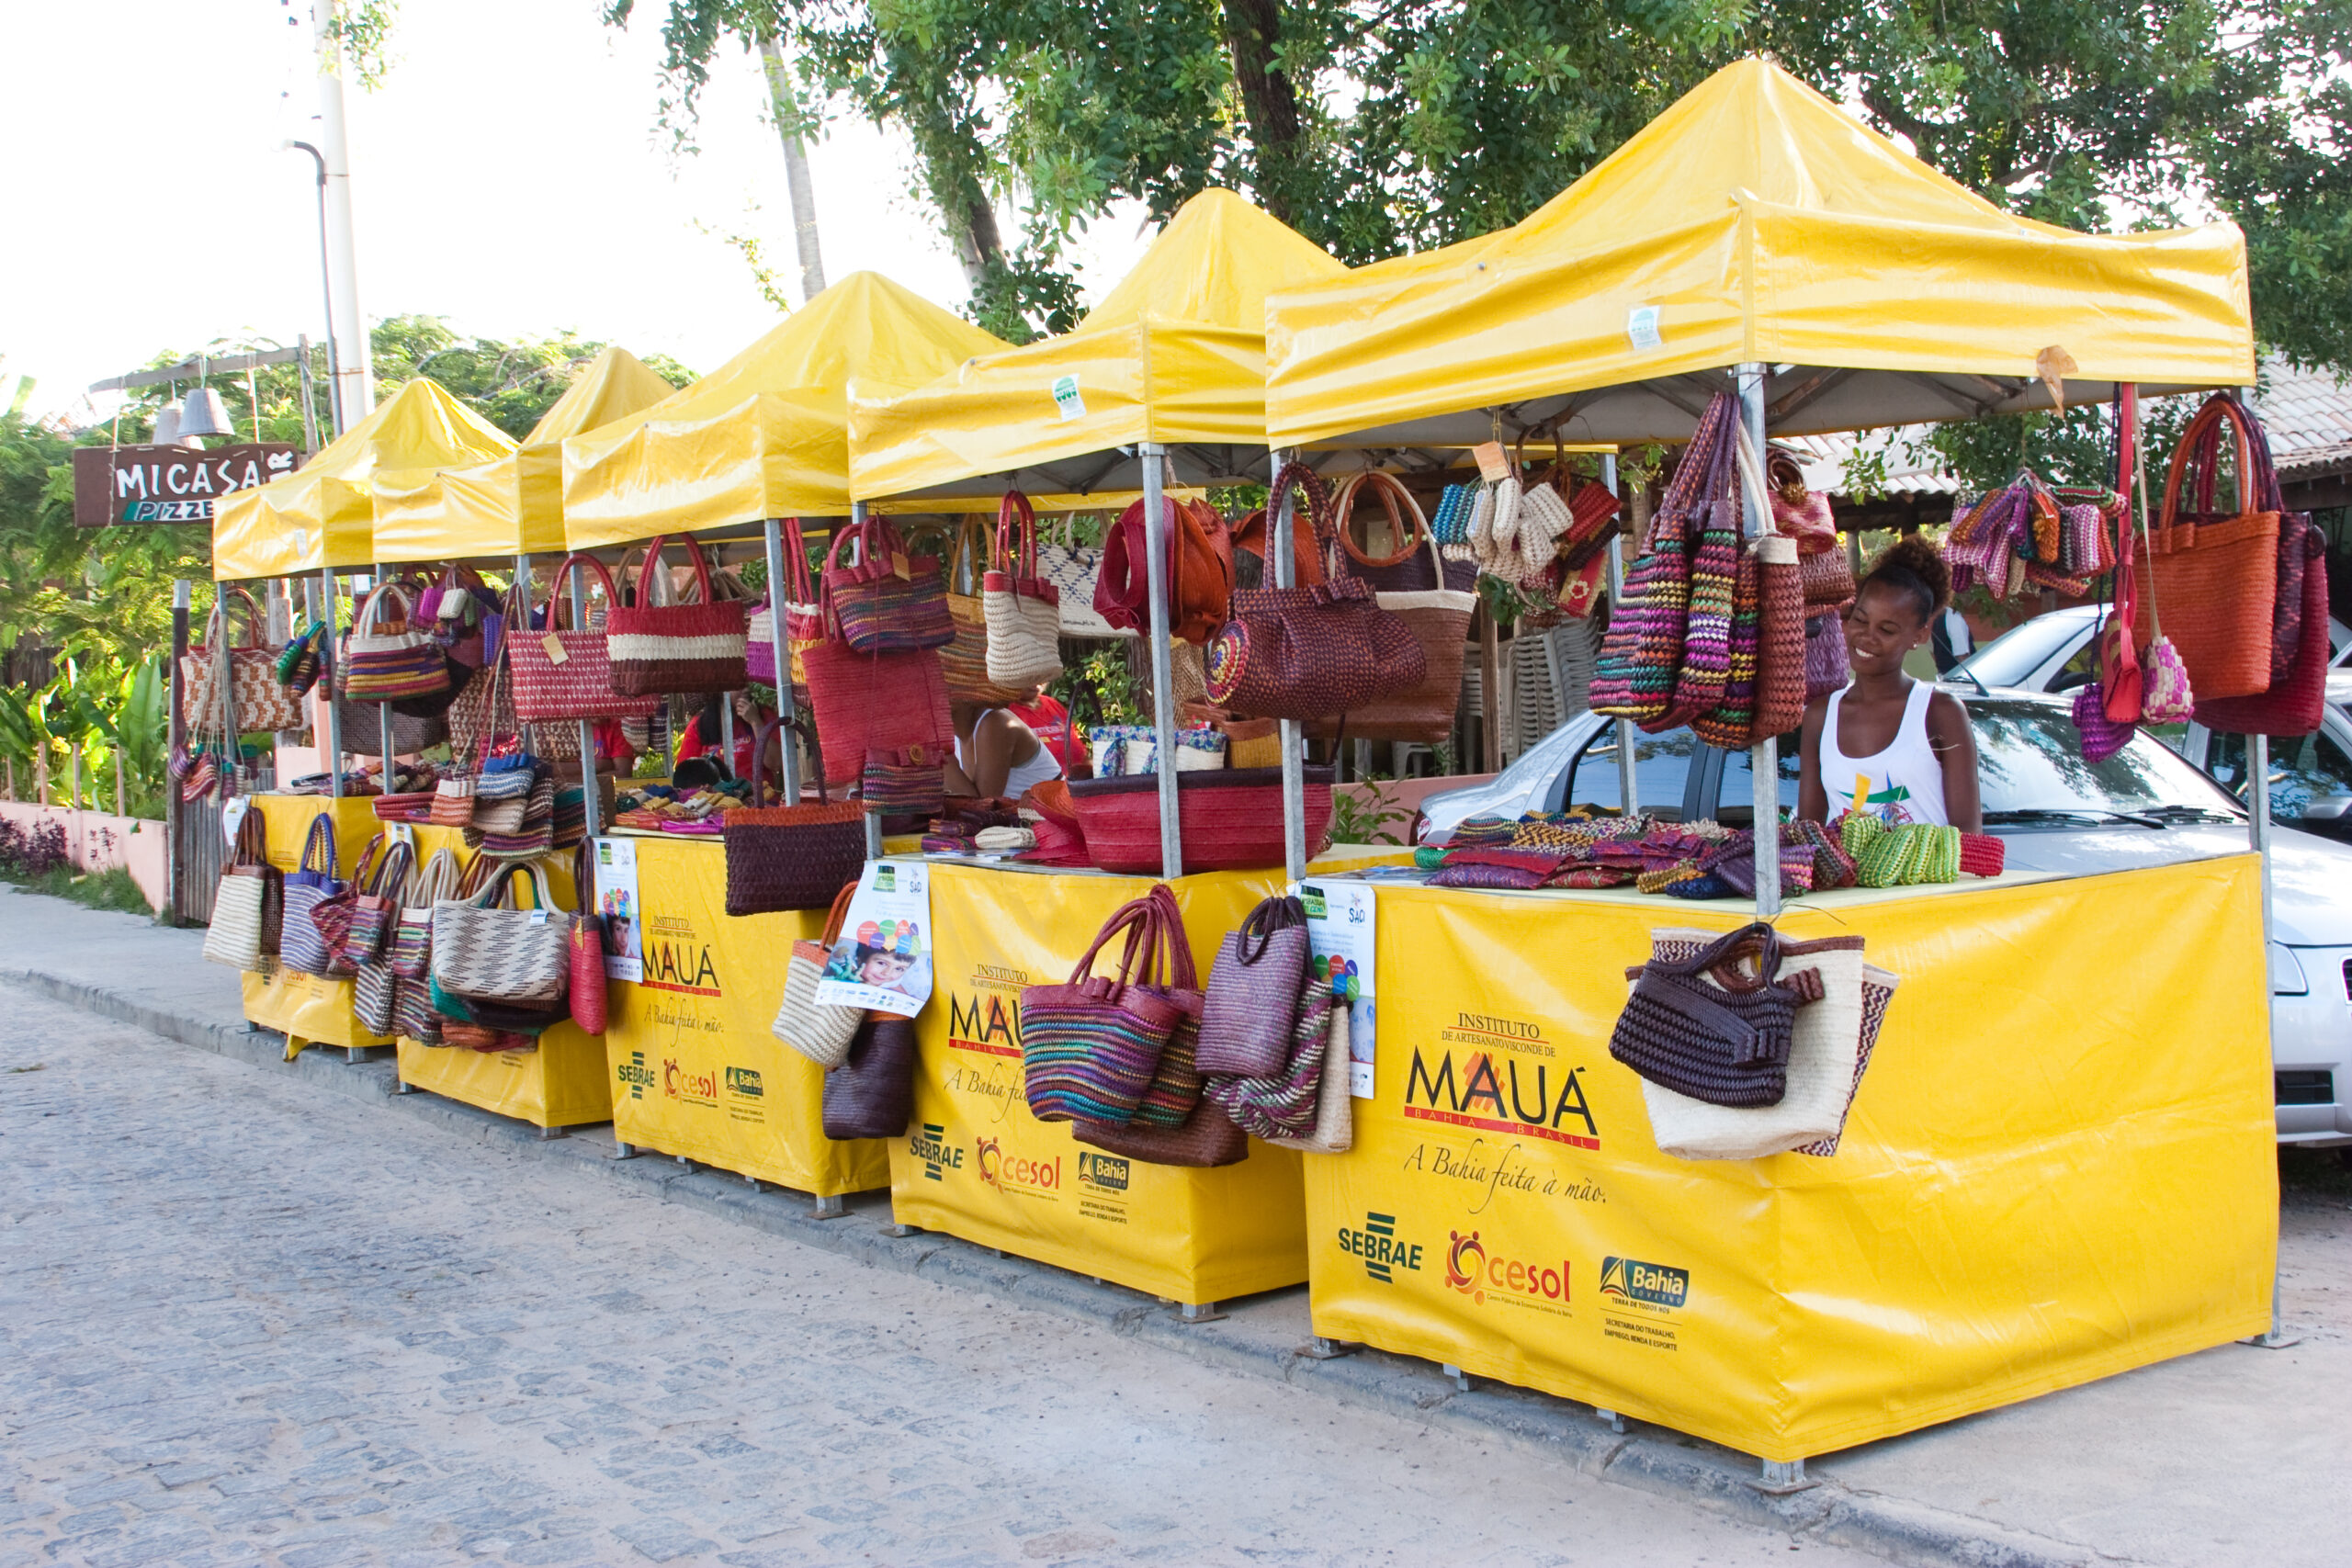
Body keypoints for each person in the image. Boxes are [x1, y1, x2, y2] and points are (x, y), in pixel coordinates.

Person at [1799, 536, 1982, 833]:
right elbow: (1809, 832)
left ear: (1919, 635)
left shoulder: (1940, 712)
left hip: (1930, 867)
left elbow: (1968, 835)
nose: (1867, 637)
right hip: (1841, 868)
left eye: (1886, 629)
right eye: (1860, 620)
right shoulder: (1820, 716)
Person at [945, 700, 1063, 799]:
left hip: (1055, 816)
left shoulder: (995, 722)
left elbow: (981, 807)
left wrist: (941, 751)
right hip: (1023, 817)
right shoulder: (953, 734)